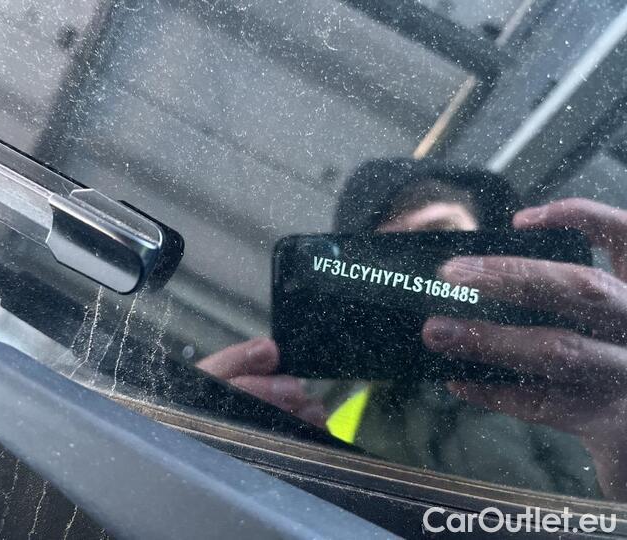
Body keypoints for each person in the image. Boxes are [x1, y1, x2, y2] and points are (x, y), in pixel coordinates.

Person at [197, 158, 627, 500]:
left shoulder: (580, 385)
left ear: (491, 247)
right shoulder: (326, 408)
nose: (421, 270)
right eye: (389, 256)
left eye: (440, 237)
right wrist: (207, 449)